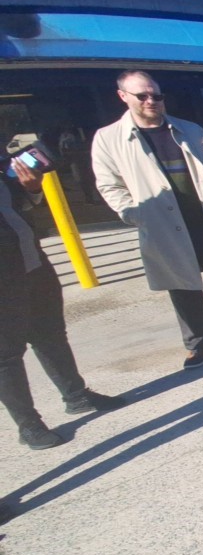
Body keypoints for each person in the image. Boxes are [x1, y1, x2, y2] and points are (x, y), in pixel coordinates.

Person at [92, 70, 203, 370]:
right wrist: (137, 215)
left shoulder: (190, 130)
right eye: (143, 95)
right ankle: (198, 345)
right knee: (183, 289)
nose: (151, 100)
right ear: (123, 96)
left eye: (156, 95)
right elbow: (109, 185)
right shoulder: (108, 139)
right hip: (164, 229)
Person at [1, 142, 125, 450]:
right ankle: (28, 425)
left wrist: (32, 189)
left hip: (31, 261)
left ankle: (76, 395)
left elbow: (21, 205)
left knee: (50, 333)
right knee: (6, 354)